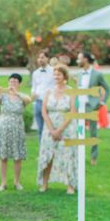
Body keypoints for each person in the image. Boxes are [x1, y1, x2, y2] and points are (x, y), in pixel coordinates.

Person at [37, 65, 77, 194]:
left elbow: (72, 112)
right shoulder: (48, 91)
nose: (56, 77)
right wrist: (51, 129)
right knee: (47, 155)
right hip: (49, 127)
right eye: (54, 74)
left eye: (58, 74)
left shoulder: (71, 91)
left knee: (68, 155)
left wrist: (59, 130)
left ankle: (70, 185)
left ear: (64, 76)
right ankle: (44, 184)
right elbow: (44, 111)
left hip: (67, 127)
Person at [0, 74, 32, 191]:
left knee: (18, 157)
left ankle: (17, 182)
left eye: (15, 82)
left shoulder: (22, 97)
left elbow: (29, 100)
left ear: (19, 84)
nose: (12, 84)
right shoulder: (3, 97)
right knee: (3, 156)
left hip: (17, 127)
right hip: (4, 127)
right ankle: (3, 183)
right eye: (11, 81)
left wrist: (16, 93)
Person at [76, 52, 110, 166]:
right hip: (79, 106)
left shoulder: (97, 74)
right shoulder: (79, 73)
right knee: (78, 131)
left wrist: (102, 102)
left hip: (92, 106)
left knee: (93, 132)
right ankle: (77, 155)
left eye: (79, 58)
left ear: (85, 59)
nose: (77, 60)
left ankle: (93, 157)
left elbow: (108, 89)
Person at [30, 50, 55, 141]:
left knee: (50, 127)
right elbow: (34, 86)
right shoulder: (35, 73)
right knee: (40, 129)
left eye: (42, 57)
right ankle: (42, 152)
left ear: (47, 58)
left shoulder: (53, 71)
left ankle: (52, 151)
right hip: (38, 102)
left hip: (50, 102)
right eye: (39, 58)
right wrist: (33, 92)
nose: (40, 60)